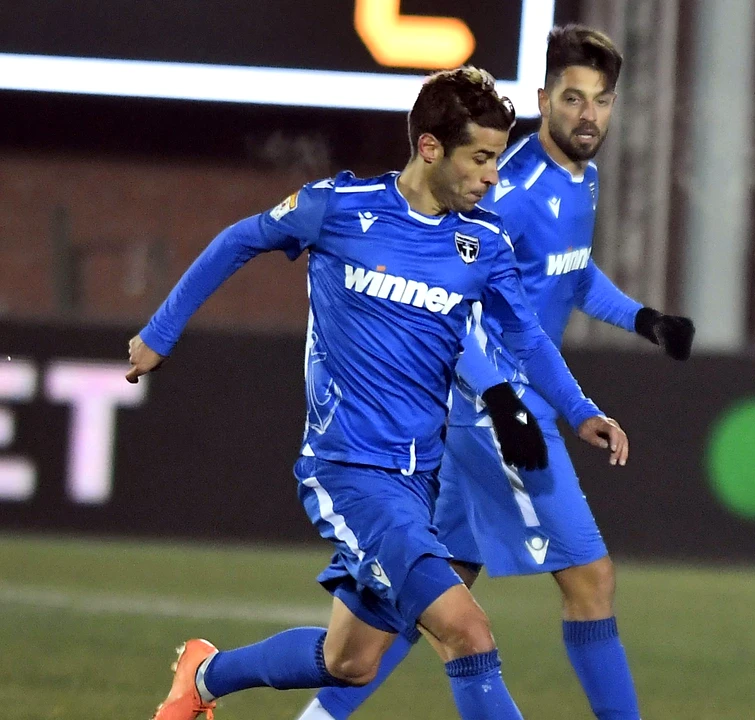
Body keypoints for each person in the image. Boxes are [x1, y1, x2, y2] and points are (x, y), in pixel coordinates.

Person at [131, 66, 629, 720]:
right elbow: (241, 239)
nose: (492, 176)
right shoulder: (339, 209)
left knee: (351, 660)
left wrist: (580, 408)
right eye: (480, 158)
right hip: (349, 472)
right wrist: (160, 333)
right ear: (430, 148)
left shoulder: (482, 244)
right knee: (467, 632)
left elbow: (528, 340)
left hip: (418, 478)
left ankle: (205, 675)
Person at [294, 25, 693, 720]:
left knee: (432, 589)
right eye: (573, 98)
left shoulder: (581, 180)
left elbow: (568, 273)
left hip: (489, 408)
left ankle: (318, 717)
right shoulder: (508, 187)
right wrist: (505, 401)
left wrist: (642, 319)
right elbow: (462, 302)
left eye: (601, 100)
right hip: (493, 412)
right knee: (591, 578)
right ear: (544, 99)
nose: (588, 114)